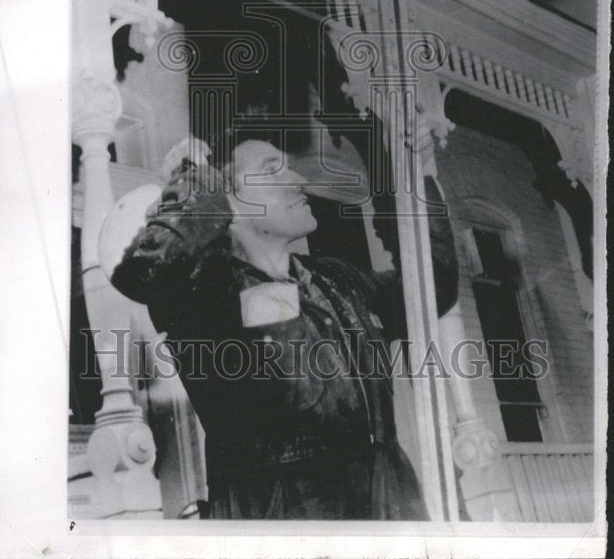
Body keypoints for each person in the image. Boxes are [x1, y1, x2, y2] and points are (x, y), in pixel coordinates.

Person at [111, 131, 458, 520]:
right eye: (271, 169)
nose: (298, 180)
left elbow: (434, 288)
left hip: (389, 499)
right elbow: (145, 272)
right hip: (286, 514)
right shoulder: (204, 296)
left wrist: (416, 173)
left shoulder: (336, 279)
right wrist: (199, 182)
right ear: (232, 201)